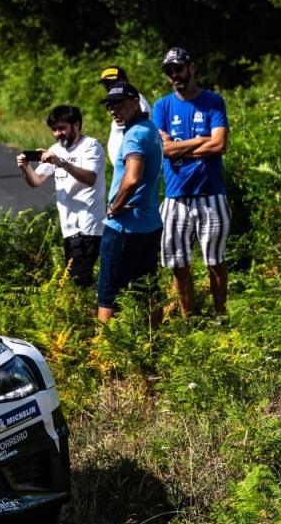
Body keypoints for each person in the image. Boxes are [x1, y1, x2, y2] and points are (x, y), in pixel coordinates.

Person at [151, 47, 230, 317]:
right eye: (169, 71)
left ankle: (220, 317)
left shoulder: (213, 102)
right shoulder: (162, 106)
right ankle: (189, 321)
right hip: (176, 196)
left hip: (211, 194)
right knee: (178, 263)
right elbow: (163, 149)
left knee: (215, 261)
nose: (174, 74)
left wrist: (179, 148)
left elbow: (219, 144)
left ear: (190, 68)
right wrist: (199, 141)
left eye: (178, 68)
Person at [17, 105, 107, 287]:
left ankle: (93, 304)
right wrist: (25, 168)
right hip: (69, 228)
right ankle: (94, 303)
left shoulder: (91, 146)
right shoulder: (55, 149)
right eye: (54, 129)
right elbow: (36, 181)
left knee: (76, 282)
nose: (58, 133)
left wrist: (61, 163)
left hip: (88, 225)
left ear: (76, 125)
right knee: (79, 282)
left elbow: (90, 178)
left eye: (62, 128)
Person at [97, 82, 163, 322]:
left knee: (108, 291)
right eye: (110, 105)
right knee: (147, 287)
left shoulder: (134, 135)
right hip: (149, 223)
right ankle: (156, 337)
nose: (114, 110)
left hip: (125, 225)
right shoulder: (150, 129)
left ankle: (105, 344)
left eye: (120, 104)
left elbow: (132, 177)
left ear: (136, 102)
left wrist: (114, 208)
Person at [99, 65, 153, 167]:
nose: (111, 87)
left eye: (114, 82)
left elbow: (141, 128)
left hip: (133, 163)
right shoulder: (122, 105)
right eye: (106, 84)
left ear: (125, 80)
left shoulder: (134, 100)